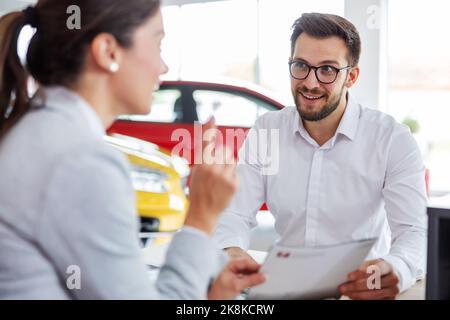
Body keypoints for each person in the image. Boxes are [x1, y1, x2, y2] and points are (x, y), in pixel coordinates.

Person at [0, 0, 265, 299]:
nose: (162, 67)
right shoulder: (79, 159)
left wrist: (211, 295)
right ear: (108, 52)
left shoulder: (41, 131)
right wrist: (202, 216)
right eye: (158, 44)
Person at [213, 13, 427, 300]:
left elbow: (415, 231)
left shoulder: (391, 139)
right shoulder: (268, 130)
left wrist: (396, 268)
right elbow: (235, 213)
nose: (310, 83)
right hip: (283, 291)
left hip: (361, 291)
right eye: (301, 66)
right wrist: (230, 249)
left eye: (327, 70)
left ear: (351, 76)